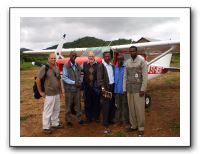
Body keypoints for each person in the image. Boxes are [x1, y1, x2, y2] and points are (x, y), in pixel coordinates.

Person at [36, 53, 63, 134]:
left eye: (54, 58)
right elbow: (38, 80)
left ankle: (55, 123)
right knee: (47, 111)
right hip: (49, 93)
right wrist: (40, 92)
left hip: (57, 93)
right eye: (52, 58)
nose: (53, 59)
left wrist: (61, 91)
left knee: (56, 109)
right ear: (48, 59)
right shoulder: (44, 68)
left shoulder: (56, 68)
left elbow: (58, 80)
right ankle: (46, 127)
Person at [123, 46, 148, 136]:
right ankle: (133, 126)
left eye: (133, 51)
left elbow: (145, 76)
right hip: (129, 89)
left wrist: (143, 89)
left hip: (138, 90)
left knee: (139, 109)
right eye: (130, 51)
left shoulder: (142, 60)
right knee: (131, 109)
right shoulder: (128, 62)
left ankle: (141, 127)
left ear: (136, 51)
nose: (132, 52)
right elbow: (125, 76)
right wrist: (124, 88)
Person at [62, 51, 84, 128]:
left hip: (77, 90)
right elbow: (64, 77)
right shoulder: (66, 66)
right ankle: (68, 121)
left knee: (78, 105)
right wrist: (74, 82)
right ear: (69, 56)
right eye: (72, 55)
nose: (74, 57)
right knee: (68, 106)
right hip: (69, 90)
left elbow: (81, 74)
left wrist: (80, 81)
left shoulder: (78, 65)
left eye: (75, 55)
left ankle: (80, 119)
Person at [97, 51, 115, 134]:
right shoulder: (101, 66)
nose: (108, 57)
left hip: (112, 86)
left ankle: (111, 120)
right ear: (103, 57)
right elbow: (99, 78)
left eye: (109, 56)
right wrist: (103, 88)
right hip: (106, 88)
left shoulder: (112, 65)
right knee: (106, 106)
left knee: (111, 104)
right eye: (106, 56)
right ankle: (105, 122)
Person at [83, 51, 100, 123]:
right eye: (90, 56)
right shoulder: (84, 64)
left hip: (95, 87)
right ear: (88, 57)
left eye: (92, 56)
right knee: (88, 102)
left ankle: (96, 117)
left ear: (94, 57)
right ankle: (89, 117)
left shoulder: (98, 65)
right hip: (87, 87)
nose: (91, 57)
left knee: (96, 102)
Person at [114, 54, 129, 125]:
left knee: (124, 106)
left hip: (123, 91)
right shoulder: (115, 68)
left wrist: (125, 89)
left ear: (123, 60)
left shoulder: (126, 68)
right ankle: (118, 120)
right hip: (116, 91)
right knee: (118, 106)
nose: (119, 60)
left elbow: (127, 80)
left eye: (121, 59)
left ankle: (125, 121)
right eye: (118, 59)